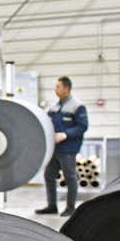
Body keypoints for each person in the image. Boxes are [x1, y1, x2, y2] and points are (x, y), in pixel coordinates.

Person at [35, 76, 88, 217]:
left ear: (67, 88)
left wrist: (65, 135)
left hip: (68, 149)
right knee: (48, 175)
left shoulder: (77, 106)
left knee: (70, 177)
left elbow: (82, 126)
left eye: (58, 86)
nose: (55, 89)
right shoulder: (54, 107)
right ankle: (52, 206)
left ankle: (71, 208)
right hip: (55, 148)